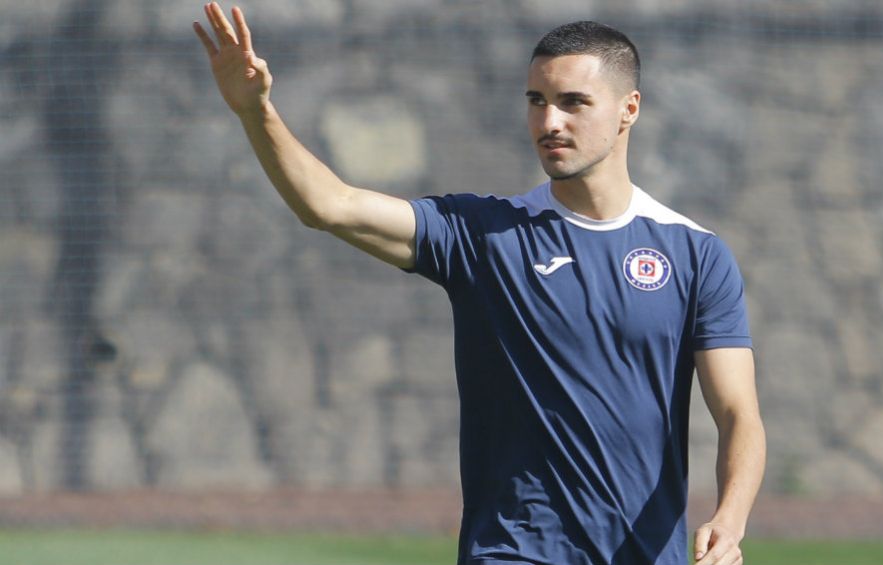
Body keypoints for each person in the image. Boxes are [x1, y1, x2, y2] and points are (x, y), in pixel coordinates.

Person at [194, 4, 766, 564]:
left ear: (628, 109)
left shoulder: (695, 254)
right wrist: (255, 112)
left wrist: (730, 520)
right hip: (515, 550)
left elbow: (738, 412)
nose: (549, 122)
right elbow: (330, 206)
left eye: (573, 103)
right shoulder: (483, 236)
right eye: (537, 102)